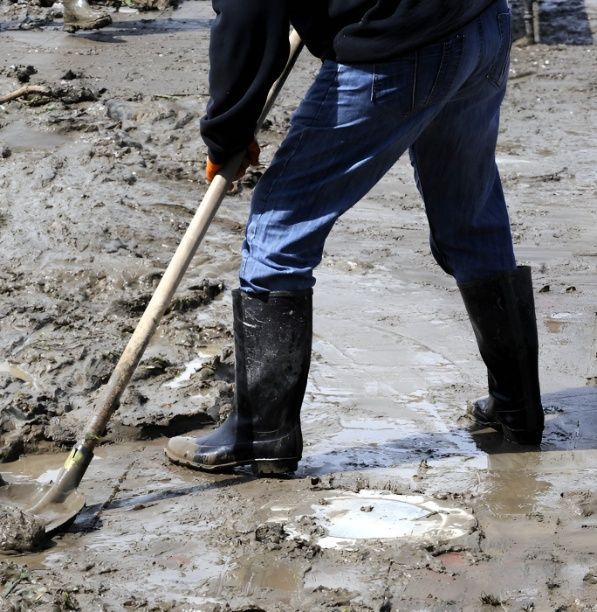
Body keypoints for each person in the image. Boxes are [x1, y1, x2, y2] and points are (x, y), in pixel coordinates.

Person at [165, 0, 545, 475]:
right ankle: (517, 408)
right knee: (469, 214)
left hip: (400, 44)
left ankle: (261, 435)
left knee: (281, 222)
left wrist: (227, 134)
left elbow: (247, 15)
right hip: (481, 22)